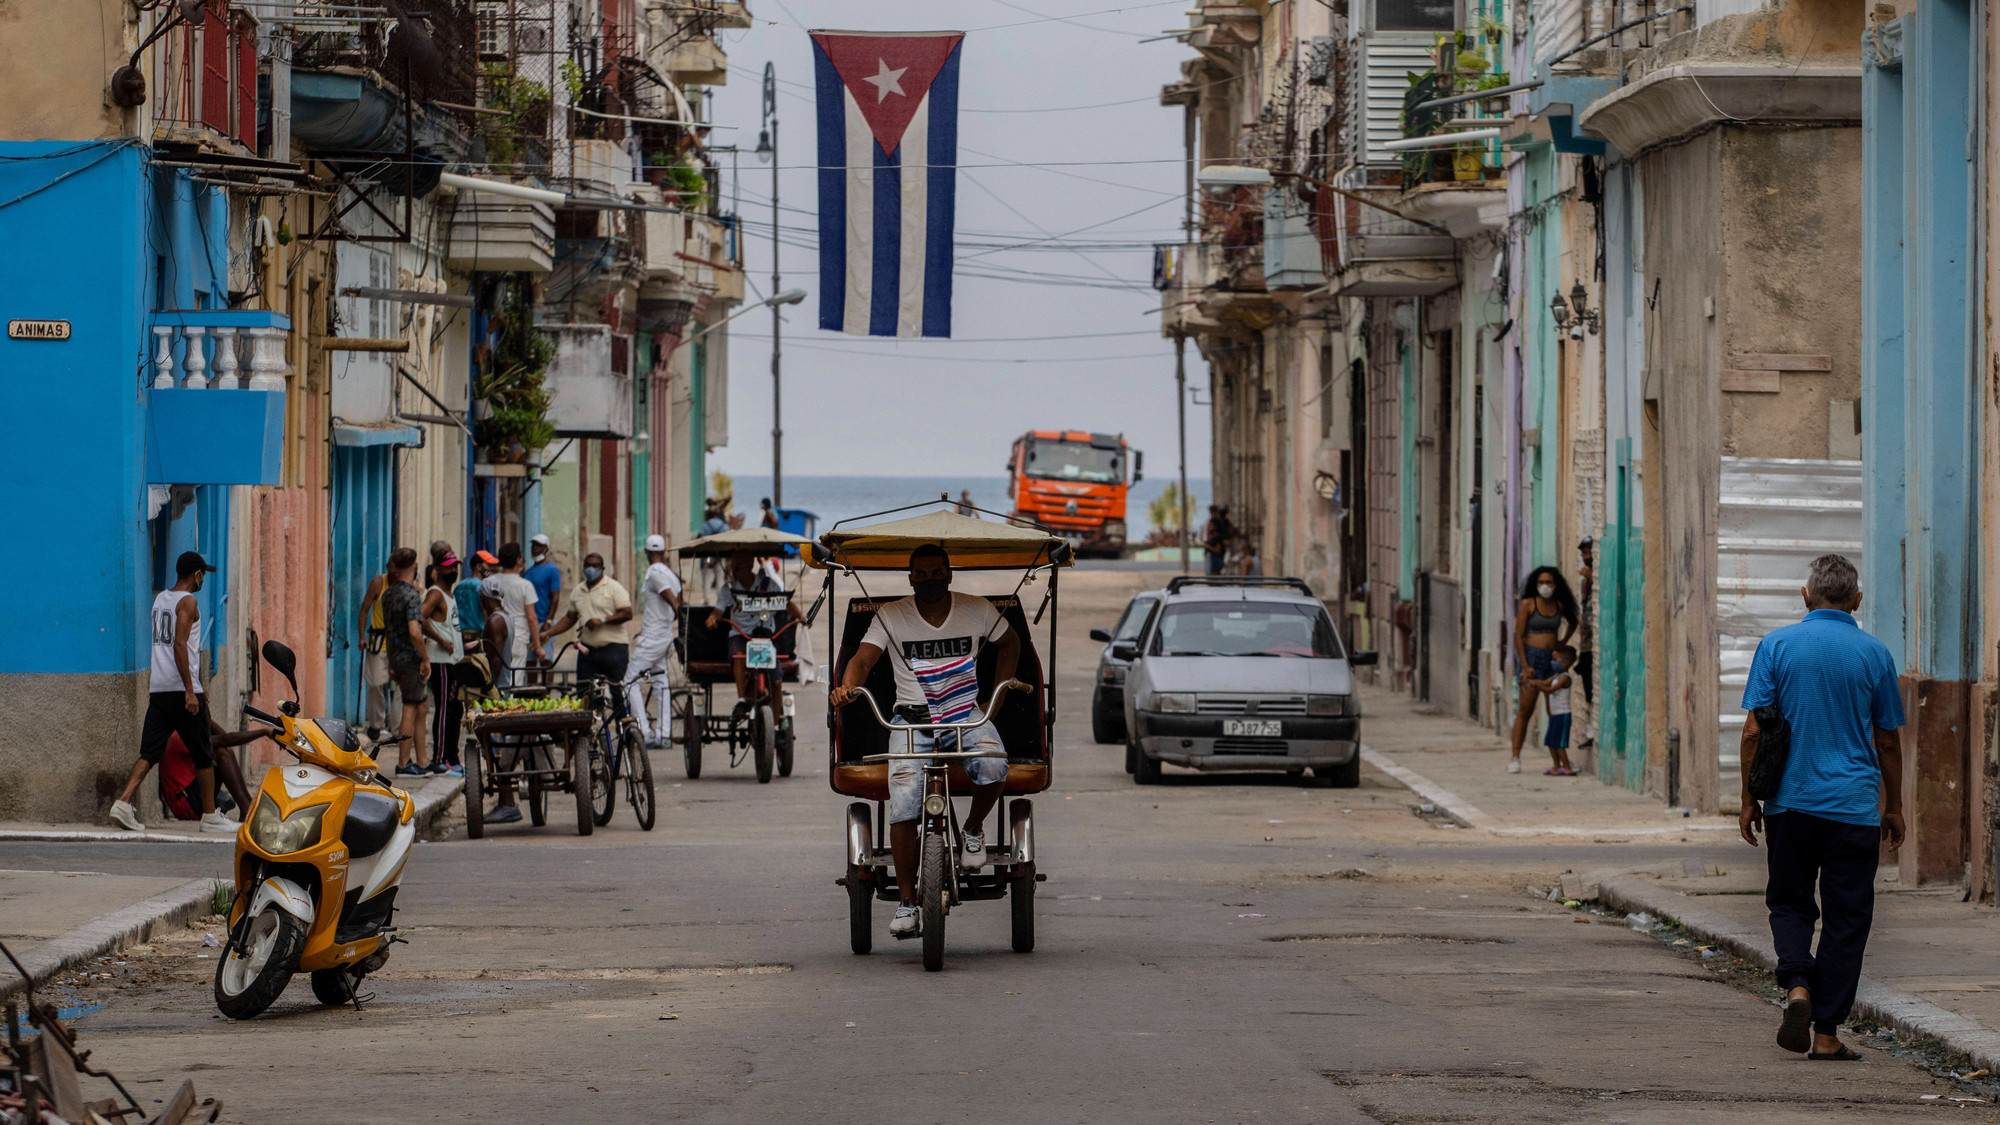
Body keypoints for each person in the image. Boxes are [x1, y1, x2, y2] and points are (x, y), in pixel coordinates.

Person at [1739, 553, 1905, 1062]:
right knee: (1846, 919)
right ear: (1857, 601)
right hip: (1853, 810)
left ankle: (1797, 988)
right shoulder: (1875, 654)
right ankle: (1828, 1034)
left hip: (1790, 804)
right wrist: (1893, 805)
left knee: (1789, 903)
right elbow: (1888, 742)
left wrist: (1749, 798)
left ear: (1806, 597)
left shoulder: (1777, 646)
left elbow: (1753, 732)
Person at [830, 545, 1024, 937]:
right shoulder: (891, 615)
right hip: (910, 721)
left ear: (949, 575)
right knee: (902, 805)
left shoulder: (977, 608)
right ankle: (906, 903)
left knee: (994, 763)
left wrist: (995, 697)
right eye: (923, 573)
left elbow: (1011, 643)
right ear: (911, 577)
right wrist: (848, 687)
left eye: (938, 573)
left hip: (965, 714)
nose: (931, 579)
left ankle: (972, 829)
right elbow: (863, 660)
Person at [110, 552, 234, 834]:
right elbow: (180, 645)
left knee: (149, 752)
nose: (203, 579)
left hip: (160, 688)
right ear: (197, 575)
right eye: (203, 574)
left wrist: (197, 684)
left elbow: (183, 648)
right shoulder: (188, 601)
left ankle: (123, 802)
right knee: (203, 753)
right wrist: (191, 690)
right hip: (181, 690)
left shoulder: (160, 600)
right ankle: (210, 816)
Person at [705, 549, 800, 718]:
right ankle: (741, 699)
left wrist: (802, 617)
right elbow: (718, 611)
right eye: (732, 569)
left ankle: (777, 725)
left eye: (738, 568)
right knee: (739, 655)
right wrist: (713, 618)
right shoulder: (729, 589)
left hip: (765, 636)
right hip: (740, 635)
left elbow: (785, 603)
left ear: (749, 567)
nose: (734, 573)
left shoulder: (767, 584)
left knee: (777, 681)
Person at [1508, 565, 1578, 774]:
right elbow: (1518, 636)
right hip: (1532, 657)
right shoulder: (1528, 604)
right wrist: (1525, 665)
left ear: (1555, 585)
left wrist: (1562, 641)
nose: (1544, 586)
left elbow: (1573, 621)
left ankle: (1559, 762)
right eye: (1540, 583)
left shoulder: (1559, 605)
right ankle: (1515, 756)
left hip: (1552, 660)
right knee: (1525, 710)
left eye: (1548, 582)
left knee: (1554, 711)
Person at [544, 552, 634, 712]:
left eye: (595, 566)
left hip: (614, 649)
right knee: (584, 694)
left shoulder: (613, 587)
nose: (591, 569)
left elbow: (627, 613)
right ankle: (587, 733)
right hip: (588, 652)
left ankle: (624, 731)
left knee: (618, 693)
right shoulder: (578, 591)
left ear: (603, 568)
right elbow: (569, 618)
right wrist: (548, 633)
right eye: (588, 565)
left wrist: (602, 620)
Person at [378, 548, 432, 776]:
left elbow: (389, 631)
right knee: (410, 708)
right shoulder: (411, 595)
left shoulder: (388, 594)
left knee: (420, 706)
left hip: (396, 656)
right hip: (411, 658)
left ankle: (422, 760)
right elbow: (415, 632)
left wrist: (391, 660)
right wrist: (425, 657)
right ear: (415, 566)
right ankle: (403, 762)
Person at [628, 535, 683, 748]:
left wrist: (674, 612)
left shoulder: (655, 574)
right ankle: (664, 735)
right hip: (663, 635)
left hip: (653, 639)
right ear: (664, 550)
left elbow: (671, 600)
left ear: (646, 552)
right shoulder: (671, 574)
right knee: (661, 683)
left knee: (630, 682)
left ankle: (644, 731)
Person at [422, 555, 465, 775]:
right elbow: (420, 618)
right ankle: (439, 759)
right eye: (448, 567)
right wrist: (440, 640)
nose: (453, 571)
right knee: (445, 710)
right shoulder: (436, 593)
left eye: (455, 566)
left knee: (455, 710)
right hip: (441, 661)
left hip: (453, 660)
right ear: (438, 570)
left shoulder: (449, 594)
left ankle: (451, 757)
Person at [482, 542, 541, 682]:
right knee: (515, 678)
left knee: (495, 672)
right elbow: (531, 617)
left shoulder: (491, 581)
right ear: (518, 560)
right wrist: (537, 645)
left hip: (495, 634)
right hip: (518, 636)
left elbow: (484, 608)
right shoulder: (525, 585)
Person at [357, 562, 395, 739]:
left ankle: (398, 727)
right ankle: (376, 725)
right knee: (376, 684)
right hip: (378, 642)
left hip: (399, 643)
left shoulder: (410, 585)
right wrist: (362, 637)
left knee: (401, 687)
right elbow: (364, 609)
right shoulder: (378, 583)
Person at [1533, 644, 1578, 776]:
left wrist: (1538, 686)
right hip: (1555, 714)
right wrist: (1533, 681)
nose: (1553, 662)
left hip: (1563, 714)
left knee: (1559, 743)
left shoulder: (1565, 678)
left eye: (1555, 659)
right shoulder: (1557, 676)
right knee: (1551, 741)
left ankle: (1567, 767)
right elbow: (1544, 683)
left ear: (1565, 662)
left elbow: (1550, 689)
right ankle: (1556, 766)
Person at [524, 534, 563, 670]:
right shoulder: (528, 572)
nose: (535, 548)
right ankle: (532, 691)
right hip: (529, 622)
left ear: (546, 549)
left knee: (546, 661)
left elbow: (555, 597)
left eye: (539, 546)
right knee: (530, 664)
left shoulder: (552, 570)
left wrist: (549, 621)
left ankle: (547, 691)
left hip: (544, 622)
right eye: (533, 545)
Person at [455, 550, 495, 654]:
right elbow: (486, 611)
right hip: (476, 637)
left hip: (458, 636)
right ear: (478, 566)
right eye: (488, 565)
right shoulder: (483, 587)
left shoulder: (459, 585)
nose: (491, 569)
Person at [1202, 506, 1233, 576]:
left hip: (1215, 558)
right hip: (1213, 557)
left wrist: (1207, 546)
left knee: (1214, 575)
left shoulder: (1218, 537)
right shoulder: (1215, 535)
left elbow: (1218, 550)